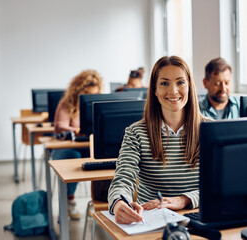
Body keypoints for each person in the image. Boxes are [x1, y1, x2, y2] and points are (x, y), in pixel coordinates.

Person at [108, 56, 205, 224]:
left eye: (180, 82)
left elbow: (222, 188)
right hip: (153, 222)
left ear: (189, 86)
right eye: (164, 83)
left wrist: (183, 200)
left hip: (201, 218)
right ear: (154, 89)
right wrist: (119, 202)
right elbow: (123, 177)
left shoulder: (211, 131)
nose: (173, 91)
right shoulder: (135, 133)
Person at [53, 69, 103, 220]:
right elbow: (60, 126)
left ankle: (98, 201)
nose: (89, 96)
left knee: (102, 158)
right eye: (87, 92)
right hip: (67, 146)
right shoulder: (66, 103)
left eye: (93, 93)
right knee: (72, 156)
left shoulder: (98, 102)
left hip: (89, 145)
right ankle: (69, 201)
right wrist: (77, 130)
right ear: (79, 90)